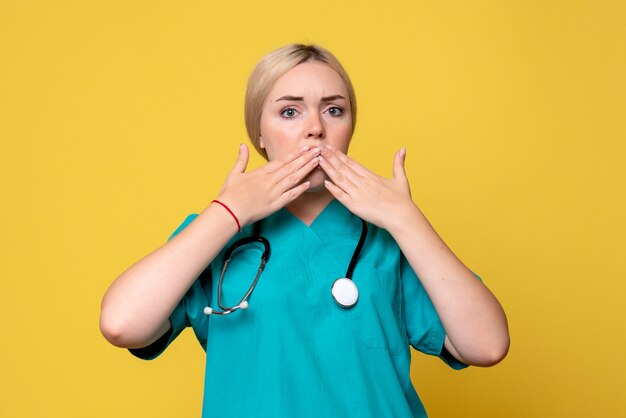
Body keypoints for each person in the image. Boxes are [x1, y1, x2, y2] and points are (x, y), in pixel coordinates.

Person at [100, 44, 510, 417]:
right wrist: (229, 211)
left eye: (334, 110)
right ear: (258, 132)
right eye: (290, 111)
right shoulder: (216, 236)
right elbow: (121, 323)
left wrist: (406, 218)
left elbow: (487, 345)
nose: (315, 128)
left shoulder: (388, 239)